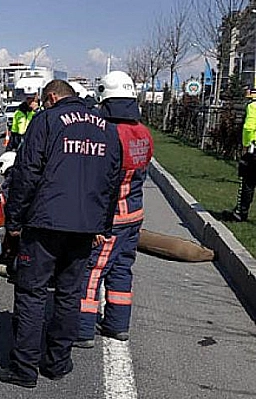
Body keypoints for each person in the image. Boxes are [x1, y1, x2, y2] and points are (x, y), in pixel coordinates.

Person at [0, 79, 121, 388]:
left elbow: (26, 172)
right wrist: (103, 225)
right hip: (85, 225)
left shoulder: (46, 120)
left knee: (32, 292)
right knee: (69, 294)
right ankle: (57, 362)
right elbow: (113, 180)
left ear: (51, 97)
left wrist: (14, 221)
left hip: (45, 223)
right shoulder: (106, 126)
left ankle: (24, 368)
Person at [74, 71, 154, 349]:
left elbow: (101, 182)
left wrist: (96, 223)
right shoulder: (143, 132)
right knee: (121, 270)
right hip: (134, 213)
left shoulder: (109, 134)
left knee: (92, 272)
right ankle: (118, 325)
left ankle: (83, 330)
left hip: (112, 217)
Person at [227, 89, 256, 222]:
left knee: (248, 182)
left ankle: (241, 212)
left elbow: (249, 127)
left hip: (254, 149)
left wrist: (246, 144)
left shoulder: (253, 106)